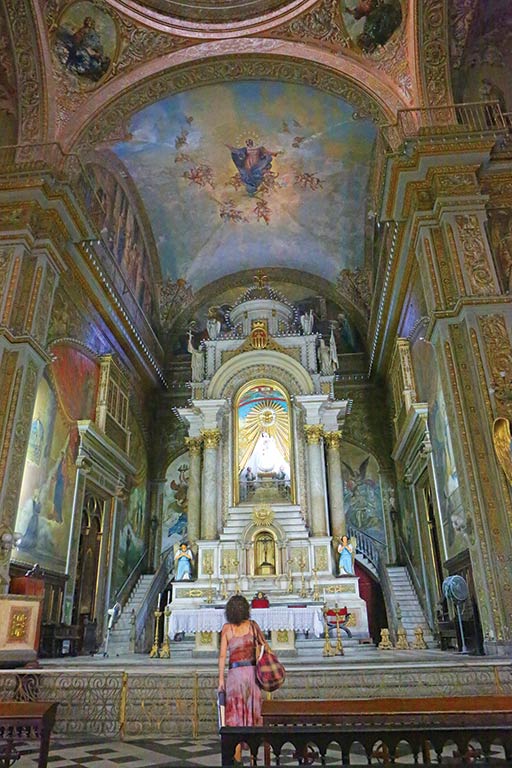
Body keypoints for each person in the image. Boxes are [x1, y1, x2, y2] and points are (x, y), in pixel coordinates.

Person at [218, 595, 265, 766]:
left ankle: (236, 758)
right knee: (253, 713)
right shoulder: (253, 627)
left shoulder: (227, 629)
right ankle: (253, 758)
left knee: (235, 716)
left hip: (235, 676)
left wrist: (220, 680)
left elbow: (223, 655)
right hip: (252, 675)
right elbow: (263, 648)